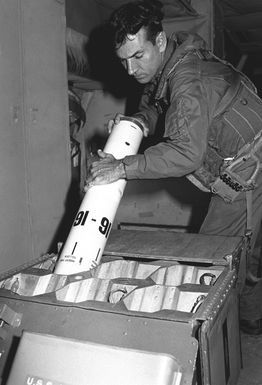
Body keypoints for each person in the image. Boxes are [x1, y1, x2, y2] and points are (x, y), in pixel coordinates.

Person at [85, 0, 262, 335]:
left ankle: (214, 339)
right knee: (243, 250)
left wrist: (121, 168)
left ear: (160, 41)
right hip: (243, 164)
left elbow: (185, 154)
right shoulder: (171, 61)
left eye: (138, 57)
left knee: (213, 259)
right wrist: (138, 120)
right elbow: (155, 101)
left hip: (250, 170)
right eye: (124, 61)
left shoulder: (188, 81)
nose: (131, 70)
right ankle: (251, 318)